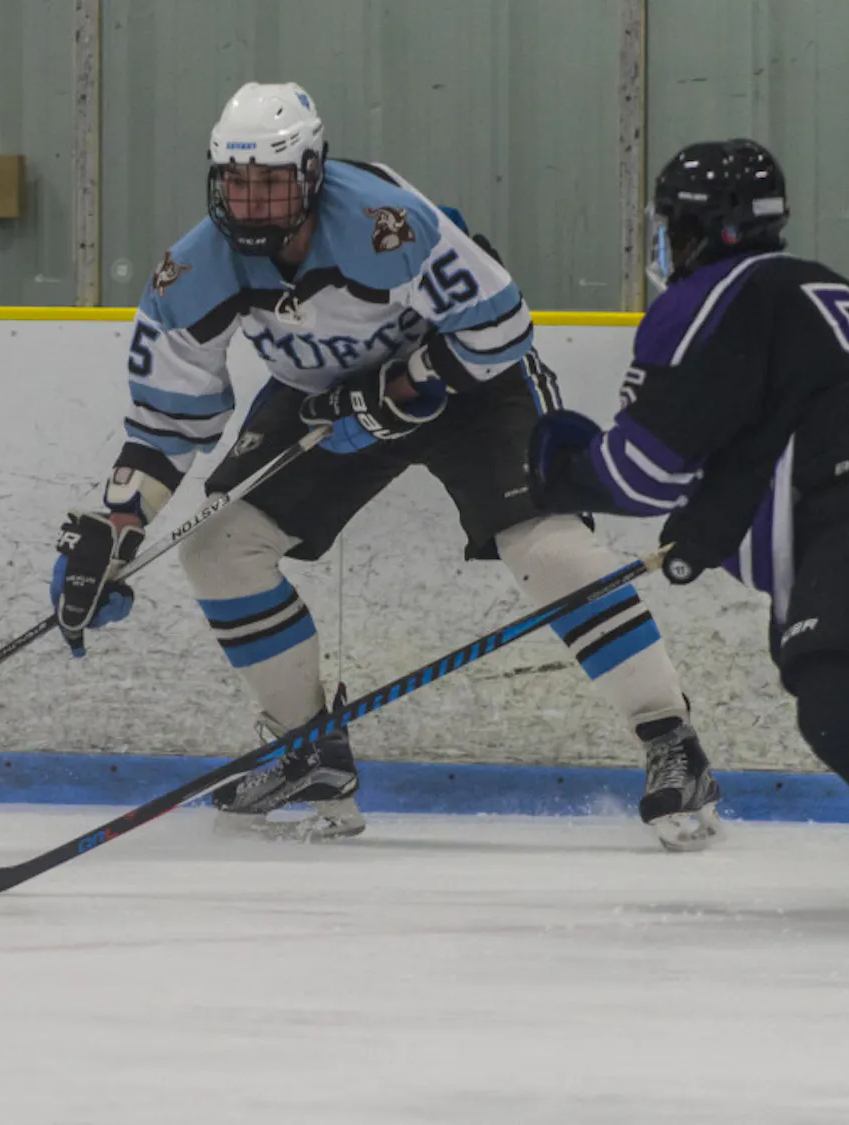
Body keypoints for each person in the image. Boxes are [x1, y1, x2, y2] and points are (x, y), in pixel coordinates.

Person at [51, 81, 718, 848]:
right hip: (325, 396)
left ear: (312, 172)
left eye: (271, 182)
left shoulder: (385, 221)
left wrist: (405, 384)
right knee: (218, 547)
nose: (252, 203)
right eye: (237, 182)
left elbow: (501, 325)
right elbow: (169, 420)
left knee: (548, 545)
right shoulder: (192, 271)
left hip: (469, 381)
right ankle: (308, 751)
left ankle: (672, 740)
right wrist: (115, 527)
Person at [525, 137, 849, 938]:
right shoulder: (819, 286)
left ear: (692, 229)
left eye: (668, 224)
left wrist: (565, 474)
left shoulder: (702, 299)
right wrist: (705, 523)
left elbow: (645, 473)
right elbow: (762, 443)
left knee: (836, 691)